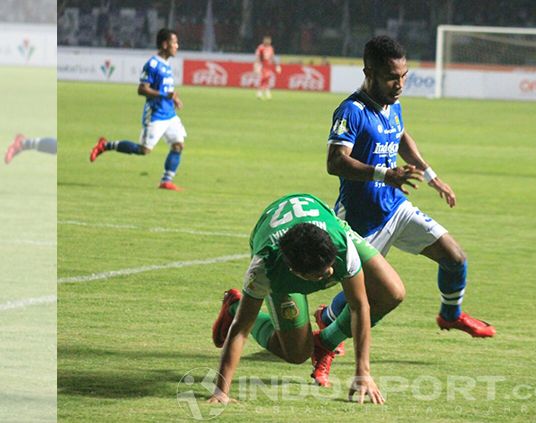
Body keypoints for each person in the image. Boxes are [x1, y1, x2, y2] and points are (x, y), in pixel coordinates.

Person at [320, 36, 495, 342]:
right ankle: (324, 321)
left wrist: (431, 176)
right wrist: (385, 174)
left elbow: (400, 136)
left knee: (454, 257)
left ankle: (450, 316)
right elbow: (335, 162)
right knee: (359, 292)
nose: (399, 84)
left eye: (403, 76)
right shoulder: (352, 111)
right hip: (361, 221)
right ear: (369, 73)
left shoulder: (393, 103)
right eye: (391, 78)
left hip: (395, 208)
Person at [208, 193, 405, 405]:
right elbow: (241, 329)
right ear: (294, 272)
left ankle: (325, 342)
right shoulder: (265, 268)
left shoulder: (342, 247)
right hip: (276, 244)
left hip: (325, 230)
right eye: (319, 276)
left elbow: (359, 306)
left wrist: (363, 372)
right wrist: (221, 391)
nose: (330, 273)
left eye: (330, 266)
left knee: (392, 291)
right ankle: (234, 306)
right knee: (296, 353)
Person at [89, 28, 186, 191]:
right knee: (144, 150)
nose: (177, 45)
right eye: (174, 42)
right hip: (156, 114)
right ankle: (105, 145)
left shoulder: (167, 65)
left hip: (169, 114)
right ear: (164, 44)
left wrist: (174, 98)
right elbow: (142, 89)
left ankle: (166, 181)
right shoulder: (152, 64)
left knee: (178, 145)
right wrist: (165, 95)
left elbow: (166, 89)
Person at [254, 35, 281, 100]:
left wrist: (277, 65)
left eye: (269, 41)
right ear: (264, 41)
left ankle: (263, 92)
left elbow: (272, 57)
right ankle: (263, 92)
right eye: (267, 40)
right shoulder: (260, 47)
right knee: (264, 78)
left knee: (266, 79)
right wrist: (257, 65)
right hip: (262, 65)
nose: (268, 42)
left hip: (268, 66)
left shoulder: (271, 48)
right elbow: (257, 56)